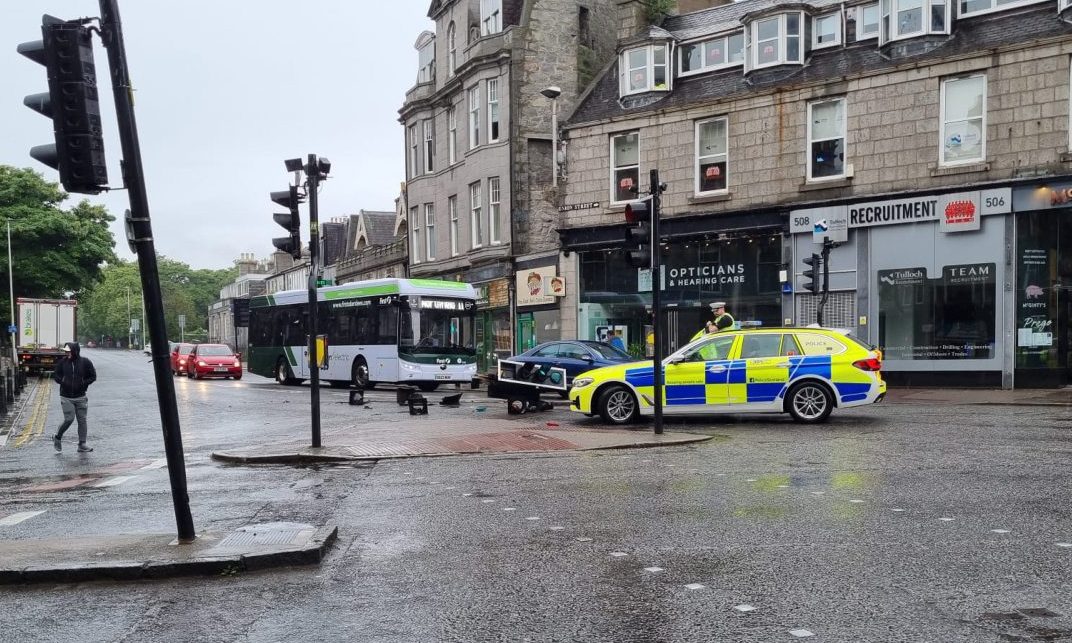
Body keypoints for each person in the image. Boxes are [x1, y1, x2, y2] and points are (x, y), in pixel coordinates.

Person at [51, 342, 97, 453]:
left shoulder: (85, 362)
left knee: (82, 420)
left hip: (81, 396)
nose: (66, 353)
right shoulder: (62, 363)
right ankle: (57, 436)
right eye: (66, 351)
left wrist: (83, 383)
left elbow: (93, 376)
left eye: (68, 351)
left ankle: (82, 444)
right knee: (69, 419)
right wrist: (62, 381)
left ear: (75, 351)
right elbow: (55, 375)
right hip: (66, 396)